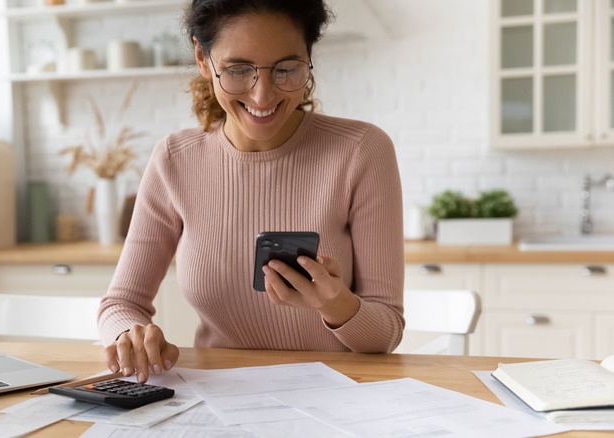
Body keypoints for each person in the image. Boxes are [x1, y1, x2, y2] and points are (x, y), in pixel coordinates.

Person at [97, 0, 405, 383]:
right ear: (202, 58)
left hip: (336, 394)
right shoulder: (175, 160)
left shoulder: (361, 150)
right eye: (239, 69)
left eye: (286, 69)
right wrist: (130, 333)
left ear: (309, 58)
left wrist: (336, 303)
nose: (262, 97)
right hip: (219, 395)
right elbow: (121, 304)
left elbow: (386, 332)